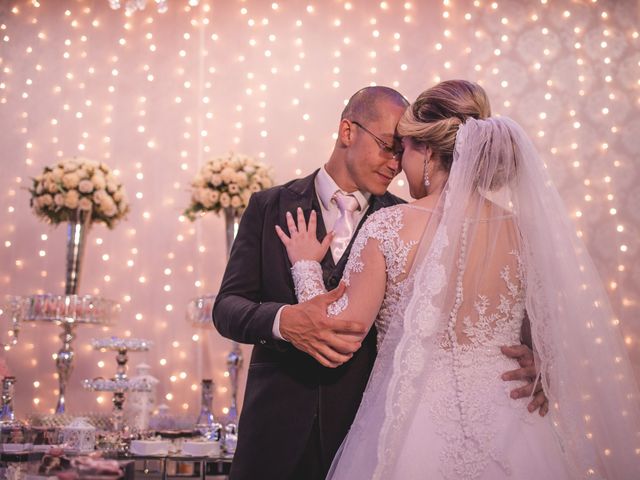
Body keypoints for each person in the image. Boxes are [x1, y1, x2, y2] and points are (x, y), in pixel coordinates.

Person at [277, 80, 640, 479]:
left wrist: (305, 266)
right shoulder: (520, 230)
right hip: (512, 428)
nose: (398, 166)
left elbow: (340, 333)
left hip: (414, 426)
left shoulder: (391, 225)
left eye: (405, 149)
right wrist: (542, 365)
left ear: (428, 152)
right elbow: (547, 330)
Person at [214, 85, 545, 480]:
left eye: (401, 149)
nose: (394, 163)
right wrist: (284, 321)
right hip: (278, 434)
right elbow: (227, 306)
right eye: (389, 146)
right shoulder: (269, 206)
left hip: (376, 432)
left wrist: (538, 361)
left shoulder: (403, 219)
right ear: (348, 132)